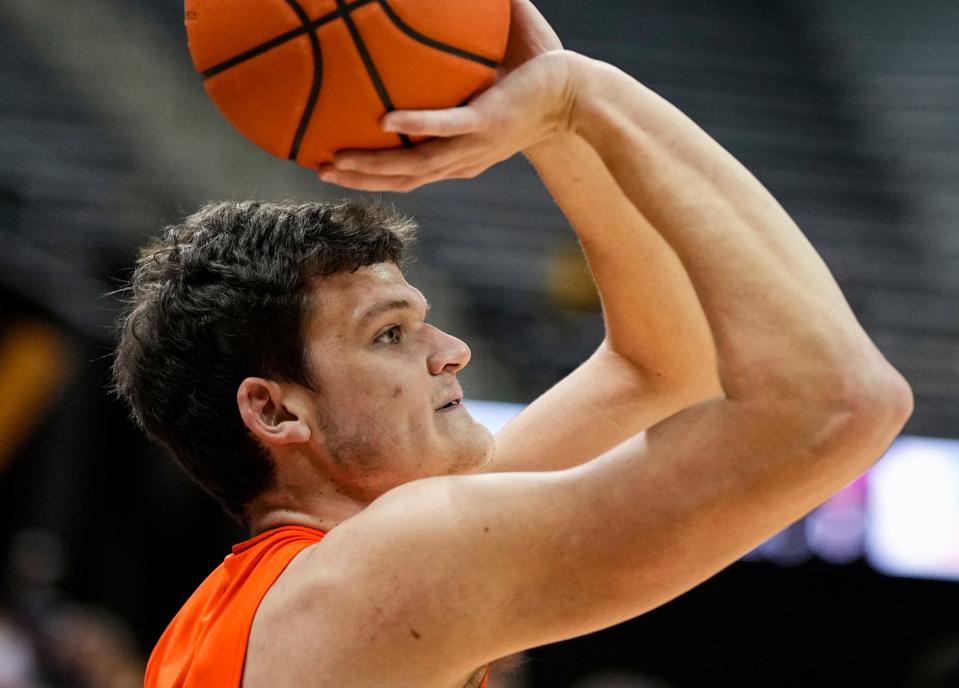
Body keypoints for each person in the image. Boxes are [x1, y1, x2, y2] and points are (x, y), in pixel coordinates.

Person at [114, 1, 913, 686]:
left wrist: (558, 114)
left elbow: (661, 365)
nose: (451, 350)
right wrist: (586, 97)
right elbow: (838, 402)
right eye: (389, 333)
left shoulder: (266, 602)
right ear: (275, 411)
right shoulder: (388, 562)